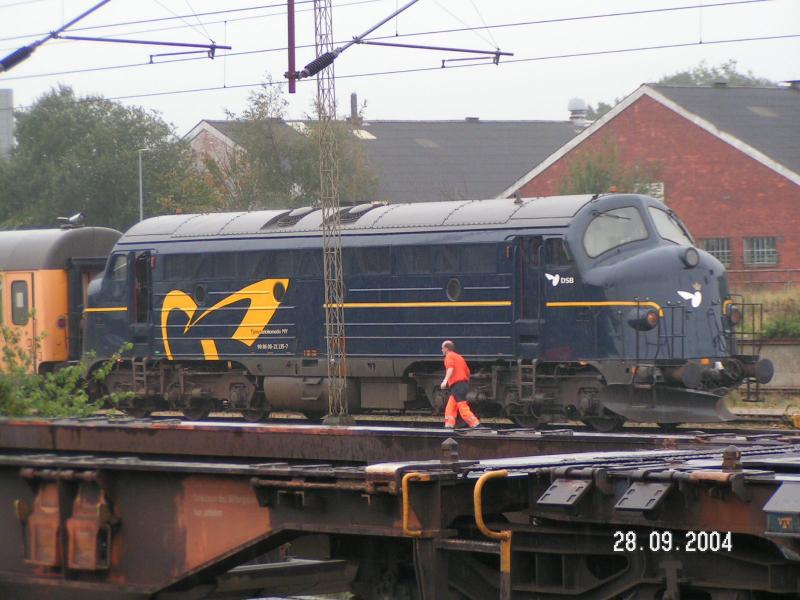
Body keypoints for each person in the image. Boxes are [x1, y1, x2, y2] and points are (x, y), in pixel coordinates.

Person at [440, 340, 482, 429]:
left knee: (462, 406)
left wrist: (445, 380)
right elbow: (467, 372)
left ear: (446, 349)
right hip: (461, 385)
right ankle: (449, 425)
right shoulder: (459, 357)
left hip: (457, 385)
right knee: (450, 407)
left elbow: (450, 368)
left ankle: (475, 424)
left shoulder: (449, 356)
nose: (441, 350)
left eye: (442, 348)